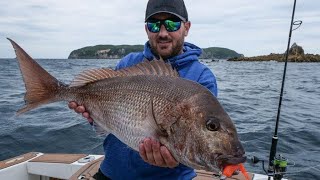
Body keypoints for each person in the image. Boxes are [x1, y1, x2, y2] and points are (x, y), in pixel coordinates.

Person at [69, 0, 218, 179]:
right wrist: (92, 115)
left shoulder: (202, 77)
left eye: (172, 24)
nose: (163, 33)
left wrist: (176, 159)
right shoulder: (127, 63)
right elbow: (110, 122)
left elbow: (200, 140)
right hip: (111, 173)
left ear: (186, 27)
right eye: (154, 25)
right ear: (147, 29)